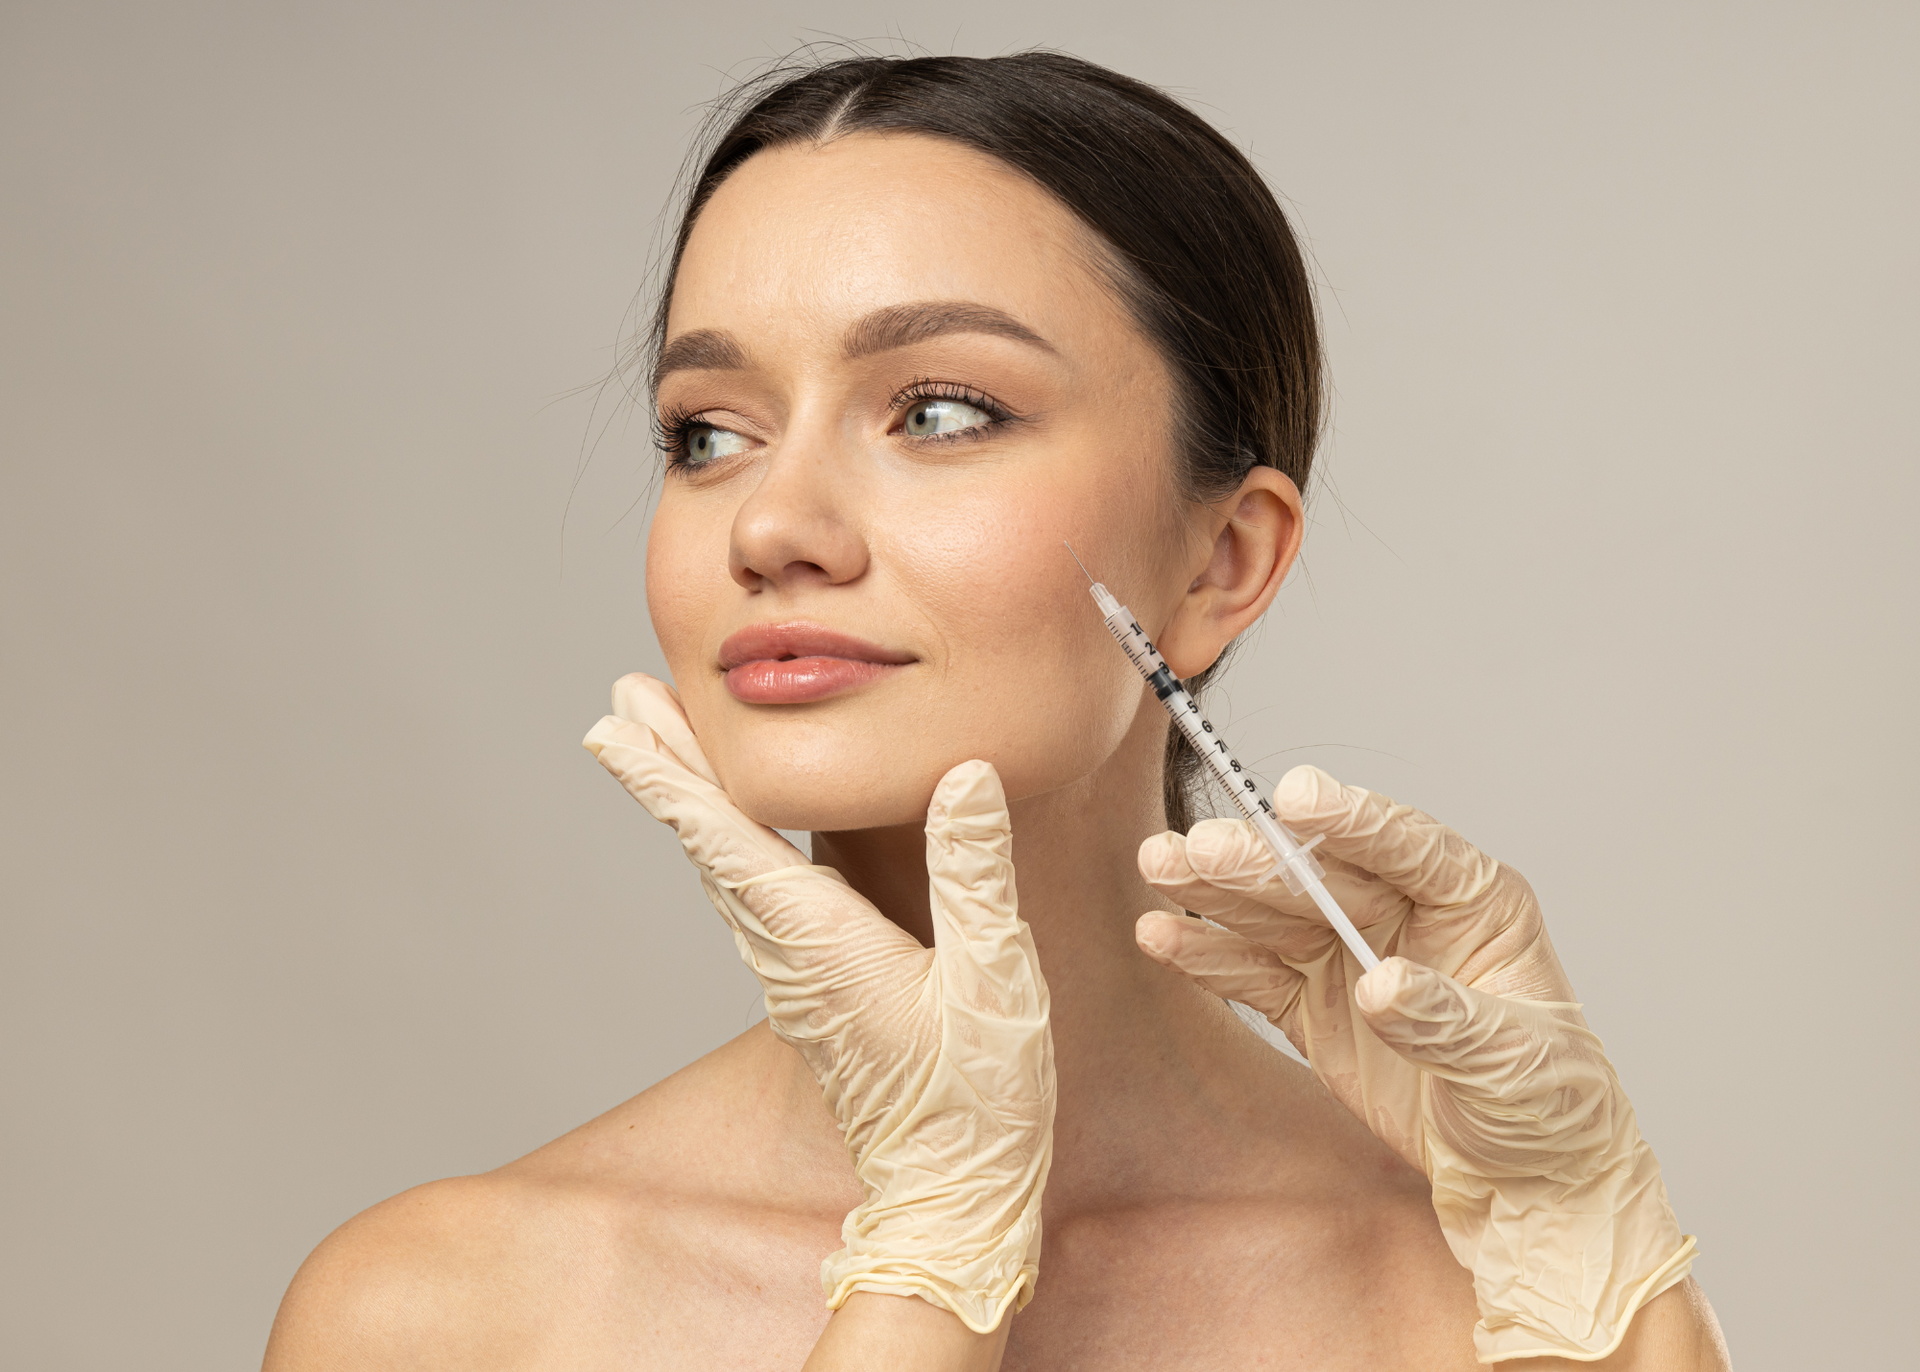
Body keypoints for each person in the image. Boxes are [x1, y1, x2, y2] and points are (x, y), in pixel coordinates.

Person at [264, 53, 1732, 1371]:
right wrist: (926, 1268)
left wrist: (1604, 1289)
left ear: (1223, 560)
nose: (774, 523)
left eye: (941, 412)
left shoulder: (1482, 1298)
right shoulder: (443, 1316)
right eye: (707, 433)